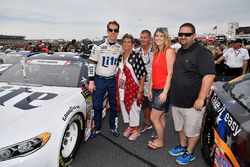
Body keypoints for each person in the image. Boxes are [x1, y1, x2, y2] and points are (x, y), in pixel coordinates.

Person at [168, 23, 215, 165]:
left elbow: (209, 76)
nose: (183, 37)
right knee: (180, 128)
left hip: (193, 103)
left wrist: (201, 98)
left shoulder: (202, 53)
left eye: (187, 34)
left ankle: (190, 152)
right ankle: (183, 147)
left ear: (194, 35)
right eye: (181, 34)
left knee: (192, 131)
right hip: (177, 101)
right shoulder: (180, 51)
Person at [88, 21, 122, 138]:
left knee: (113, 105)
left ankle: (113, 127)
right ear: (107, 31)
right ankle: (97, 128)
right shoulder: (98, 46)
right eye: (111, 30)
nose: (113, 32)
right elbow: (91, 63)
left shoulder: (120, 47)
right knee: (97, 106)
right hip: (99, 80)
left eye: (116, 30)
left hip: (112, 80)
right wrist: (91, 81)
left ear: (118, 32)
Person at [147, 28, 176, 149]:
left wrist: (165, 92)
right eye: (156, 36)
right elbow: (153, 72)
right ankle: (161, 137)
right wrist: (149, 89)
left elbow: (170, 73)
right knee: (161, 116)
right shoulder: (156, 52)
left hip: (163, 90)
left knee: (154, 117)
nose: (158, 38)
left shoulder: (169, 51)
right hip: (155, 89)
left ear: (166, 38)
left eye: (161, 36)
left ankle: (160, 141)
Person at [116, 34, 147, 141]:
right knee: (125, 108)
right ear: (122, 44)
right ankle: (131, 126)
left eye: (129, 42)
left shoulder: (136, 56)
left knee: (134, 109)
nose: (127, 44)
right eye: (125, 42)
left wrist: (140, 90)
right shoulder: (120, 56)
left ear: (133, 44)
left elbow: (143, 74)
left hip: (133, 87)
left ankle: (137, 129)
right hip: (122, 88)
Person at [135, 30, 154, 133]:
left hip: (154, 84)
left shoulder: (157, 51)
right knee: (145, 104)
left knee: (156, 107)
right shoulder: (137, 51)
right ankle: (147, 123)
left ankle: (156, 126)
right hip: (142, 83)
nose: (142, 39)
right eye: (141, 37)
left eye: (145, 37)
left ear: (150, 39)